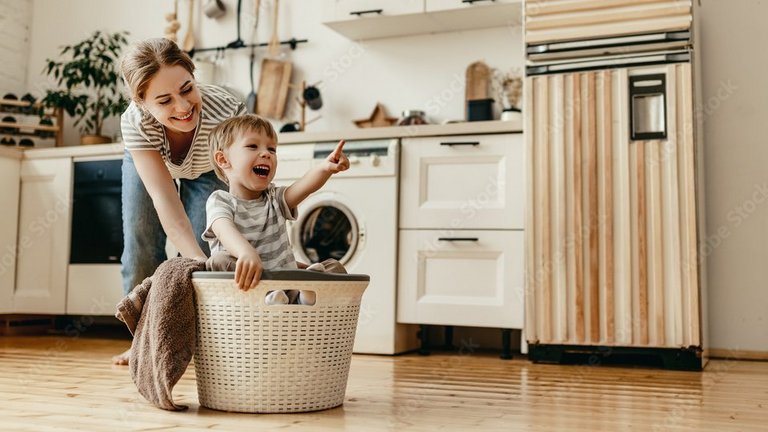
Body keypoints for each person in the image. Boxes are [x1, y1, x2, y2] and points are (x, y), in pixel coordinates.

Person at [114, 38, 245, 365]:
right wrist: (197, 262)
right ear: (142, 103)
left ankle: (194, 343)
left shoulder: (228, 111)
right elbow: (165, 202)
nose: (183, 106)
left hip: (209, 167)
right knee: (141, 242)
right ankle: (143, 342)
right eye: (165, 100)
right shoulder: (136, 122)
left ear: (193, 76)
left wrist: (205, 259)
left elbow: (244, 187)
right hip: (152, 160)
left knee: (205, 246)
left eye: (187, 89)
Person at [202, 114, 349, 301]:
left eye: (271, 149)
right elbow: (224, 230)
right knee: (218, 261)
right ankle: (279, 298)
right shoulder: (220, 200)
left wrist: (325, 168)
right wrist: (245, 253)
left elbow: (304, 187)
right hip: (247, 289)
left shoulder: (275, 199)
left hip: (286, 284)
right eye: (252, 146)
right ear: (223, 160)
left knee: (335, 267)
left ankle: (303, 297)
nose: (266, 154)